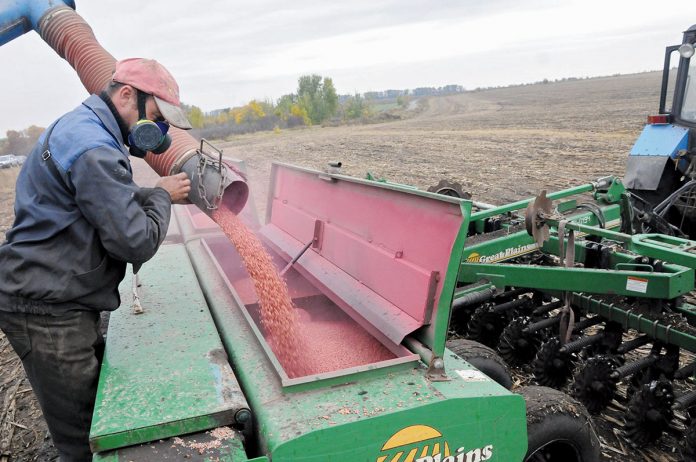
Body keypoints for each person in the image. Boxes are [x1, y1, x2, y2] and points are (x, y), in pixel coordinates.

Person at [0, 58, 192, 462]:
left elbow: (102, 202)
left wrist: (149, 193)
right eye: (155, 117)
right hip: (47, 309)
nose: (157, 132)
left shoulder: (83, 129)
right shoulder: (94, 147)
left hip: (54, 292)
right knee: (86, 436)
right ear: (126, 95)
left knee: (93, 407)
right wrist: (160, 196)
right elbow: (135, 242)